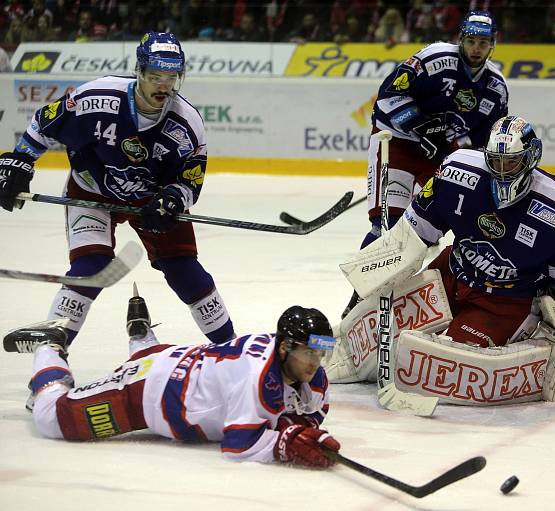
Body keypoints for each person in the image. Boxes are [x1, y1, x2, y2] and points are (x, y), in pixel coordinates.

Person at [0, 32, 236, 347]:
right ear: (138, 72)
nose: (163, 85)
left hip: (151, 198)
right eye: (155, 76)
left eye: (171, 77)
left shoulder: (187, 123)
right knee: (89, 267)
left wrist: (173, 199)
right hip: (92, 191)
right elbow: (44, 123)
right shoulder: (96, 97)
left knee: (184, 271)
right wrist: (20, 160)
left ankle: (232, 349)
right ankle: (51, 353)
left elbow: (190, 179)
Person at [2, 288, 341, 468]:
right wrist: (286, 446)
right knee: (50, 418)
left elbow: (294, 418)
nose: (315, 362)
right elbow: (238, 448)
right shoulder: (256, 377)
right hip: (146, 392)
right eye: (308, 352)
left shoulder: (314, 379)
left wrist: (297, 432)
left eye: (320, 353)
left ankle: (141, 338)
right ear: (283, 348)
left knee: (148, 359)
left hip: (177, 362)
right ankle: (50, 346)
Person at [347, 115, 555, 348]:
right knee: (371, 334)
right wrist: (372, 280)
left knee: (445, 359)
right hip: (452, 275)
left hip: (505, 302)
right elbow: (411, 235)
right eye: (496, 160)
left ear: (530, 157)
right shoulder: (457, 171)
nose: (503, 170)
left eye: (511, 161)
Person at [345, 10, 509, 317]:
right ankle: (359, 302)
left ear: (492, 45)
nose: (476, 48)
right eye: (471, 41)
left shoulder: (496, 87)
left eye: (483, 43)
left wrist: (457, 150)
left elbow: (485, 140)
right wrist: (420, 127)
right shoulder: (434, 59)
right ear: (461, 39)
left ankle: (434, 299)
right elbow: (388, 98)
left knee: (443, 228)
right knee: (387, 225)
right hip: (396, 142)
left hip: (441, 156)